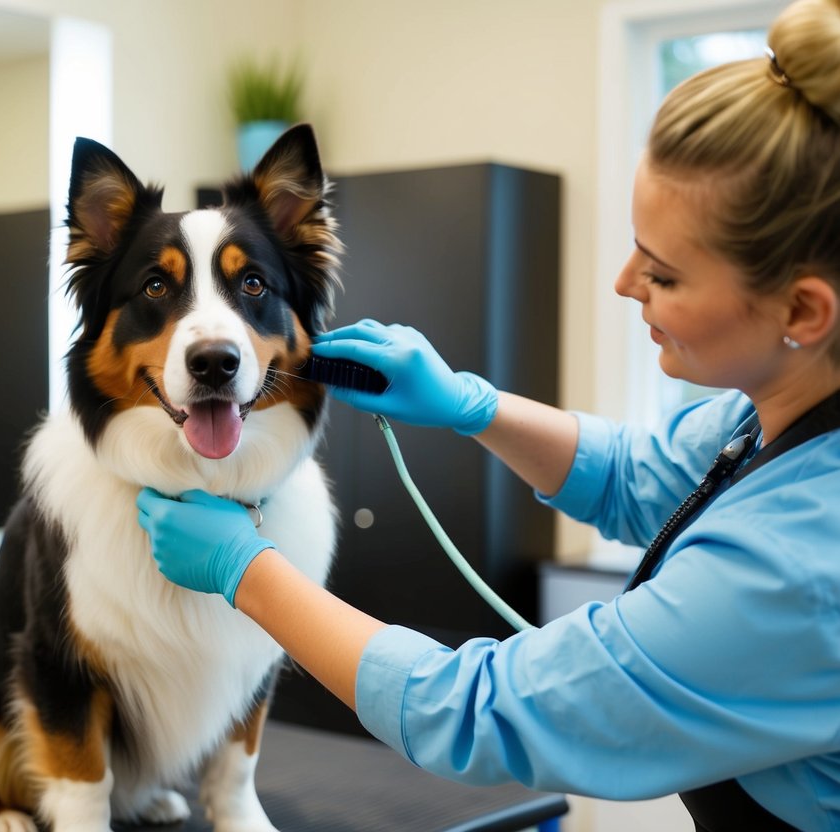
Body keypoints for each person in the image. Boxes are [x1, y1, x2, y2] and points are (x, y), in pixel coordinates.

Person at [135, 1, 840, 828]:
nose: (622, 283)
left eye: (663, 274)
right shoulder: (767, 418)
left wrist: (244, 572)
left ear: (801, 312)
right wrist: (469, 404)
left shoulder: (801, 568)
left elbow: (479, 711)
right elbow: (633, 475)